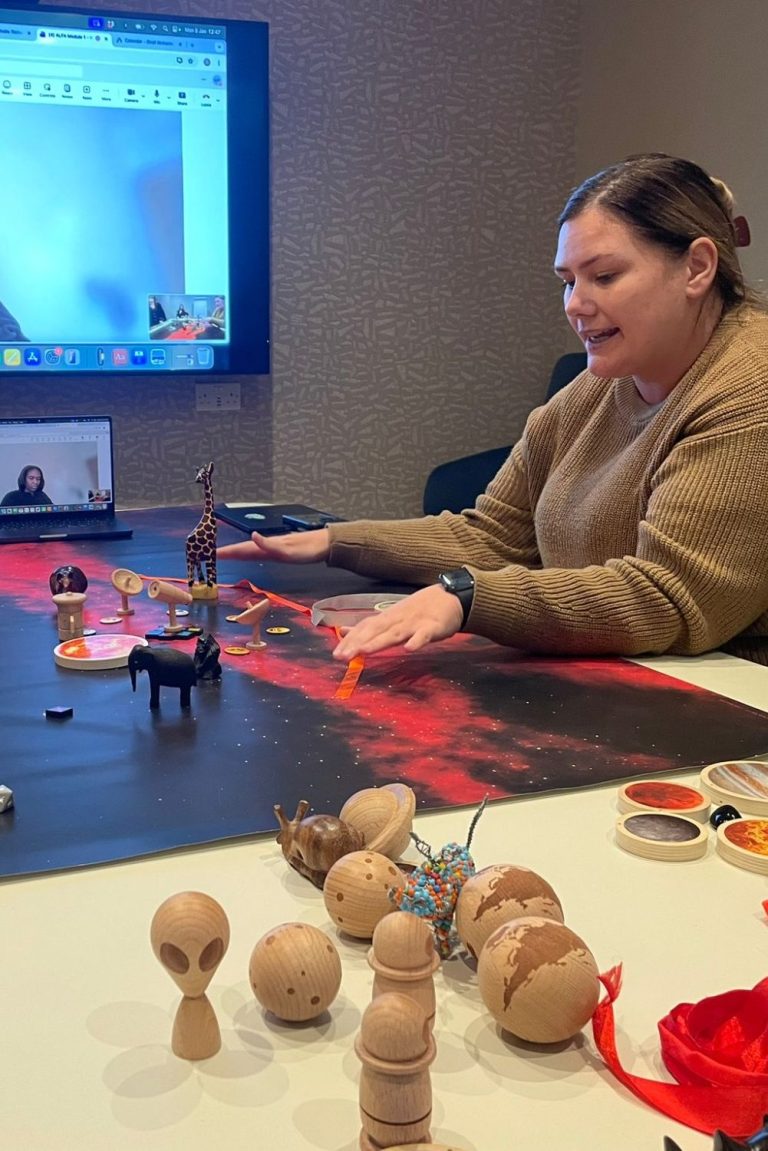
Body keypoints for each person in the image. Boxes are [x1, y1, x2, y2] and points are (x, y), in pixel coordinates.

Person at [219, 154, 768, 666]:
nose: (576, 305)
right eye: (568, 282)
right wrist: (338, 541)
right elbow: (495, 537)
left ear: (697, 268)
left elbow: (668, 596)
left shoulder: (750, 388)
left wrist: (466, 597)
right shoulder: (596, 390)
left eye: (604, 277)